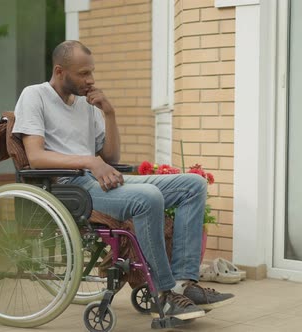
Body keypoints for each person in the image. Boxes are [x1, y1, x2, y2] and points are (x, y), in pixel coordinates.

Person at [12, 40, 234, 321]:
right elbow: (35, 157)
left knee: (193, 185)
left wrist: (109, 112)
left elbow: (111, 155)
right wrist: (90, 161)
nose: (90, 80)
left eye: (92, 72)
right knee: (148, 197)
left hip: (97, 181)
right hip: (70, 188)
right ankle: (164, 295)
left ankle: (184, 284)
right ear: (59, 71)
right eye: (83, 73)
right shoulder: (35, 96)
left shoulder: (86, 105)